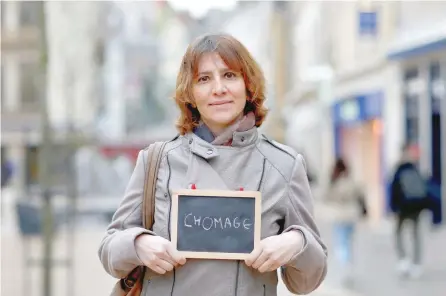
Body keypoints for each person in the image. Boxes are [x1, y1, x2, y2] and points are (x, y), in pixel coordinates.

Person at [98, 33, 327, 296]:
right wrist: (138, 245)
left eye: (229, 75)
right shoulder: (155, 161)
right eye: (204, 79)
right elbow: (109, 249)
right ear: (190, 93)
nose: (219, 88)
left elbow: (308, 282)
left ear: (248, 85)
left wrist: (296, 242)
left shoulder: (284, 166)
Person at [390, 144, 429, 279]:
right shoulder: (415, 168)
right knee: (415, 235)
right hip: (415, 208)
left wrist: (393, 207)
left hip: (403, 208)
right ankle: (416, 263)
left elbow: (393, 190)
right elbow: (423, 189)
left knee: (398, 234)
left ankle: (404, 260)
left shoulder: (399, 169)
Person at [324, 157, 364, 286]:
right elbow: (361, 196)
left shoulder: (336, 182)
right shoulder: (351, 181)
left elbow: (328, 197)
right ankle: (348, 267)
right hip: (352, 215)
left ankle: (345, 268)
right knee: (348, 242)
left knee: (341, 243)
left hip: (340, 216)